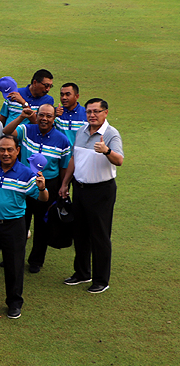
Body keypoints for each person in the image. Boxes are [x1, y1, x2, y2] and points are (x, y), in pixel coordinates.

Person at [0, 134, 48, 319]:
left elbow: (42, 198)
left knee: (14, 265)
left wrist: (43, 188)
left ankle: (14, 303)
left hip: (14, 226)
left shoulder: (27, 173)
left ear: (17, 151)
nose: (5, 153)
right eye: (2, 149)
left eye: (10, 149)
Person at [59, 98, 124, 294]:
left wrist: (107, 151)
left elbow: (119, 160)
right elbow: (74, 158)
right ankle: (82, 273)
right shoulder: (81, 131)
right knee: (79, 233)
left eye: (96, 111)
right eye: (89, 111)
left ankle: (101, 280)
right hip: (80, 189)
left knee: (100, 236)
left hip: (100, 191)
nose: (92, 115)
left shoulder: (111, 134)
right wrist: (65, 183)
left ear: (106, 113)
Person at [2, 103, 71, 274]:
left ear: (54, 118)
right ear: (36, 115)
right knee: (19, 222)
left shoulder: (62, 140)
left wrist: (63, 186)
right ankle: (14, 257)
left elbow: (63, 166)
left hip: (48, 185)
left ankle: (36, 260)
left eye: (48, 116)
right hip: (23, 183)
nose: (44, 119)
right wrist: (21, 116)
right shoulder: (26, 129)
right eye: (41, 115)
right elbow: (7, 132)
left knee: (42, 224)